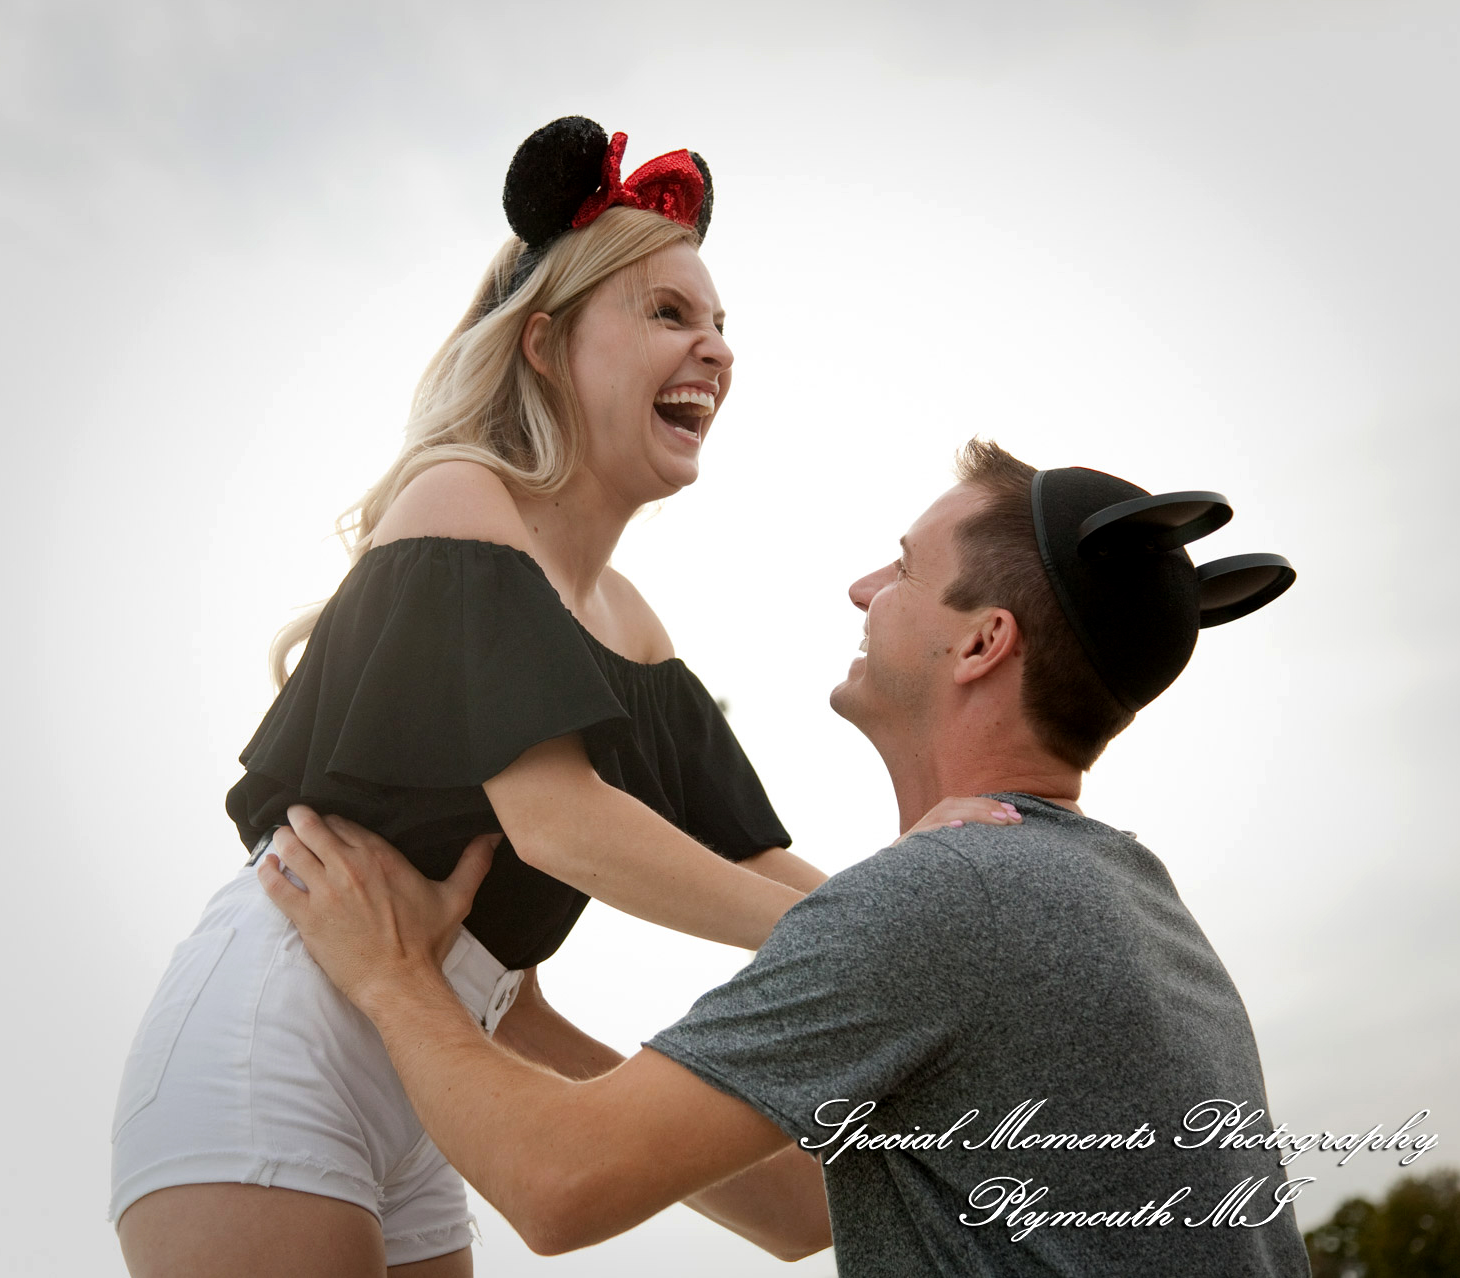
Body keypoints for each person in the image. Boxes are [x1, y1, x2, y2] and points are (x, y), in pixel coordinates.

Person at [109, 116, 1011, 1278]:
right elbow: (560, 820)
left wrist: (936, 908)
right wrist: (888, 943)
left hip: (439, 1048)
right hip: (276, 1026)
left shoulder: (631, 621)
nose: (716, 351)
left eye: (722, 325)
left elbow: (746, 859)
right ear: (543, 346)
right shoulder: (455, 497)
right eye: (670, 314)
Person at [264, 439, 1313, 1276]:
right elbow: (802, 1209)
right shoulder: (1131, 905)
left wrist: (395, 980)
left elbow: (557, 1185)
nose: (863, 589)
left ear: (983, 643)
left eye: (903, 569)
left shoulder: (953, 897)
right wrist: (521, 1018)